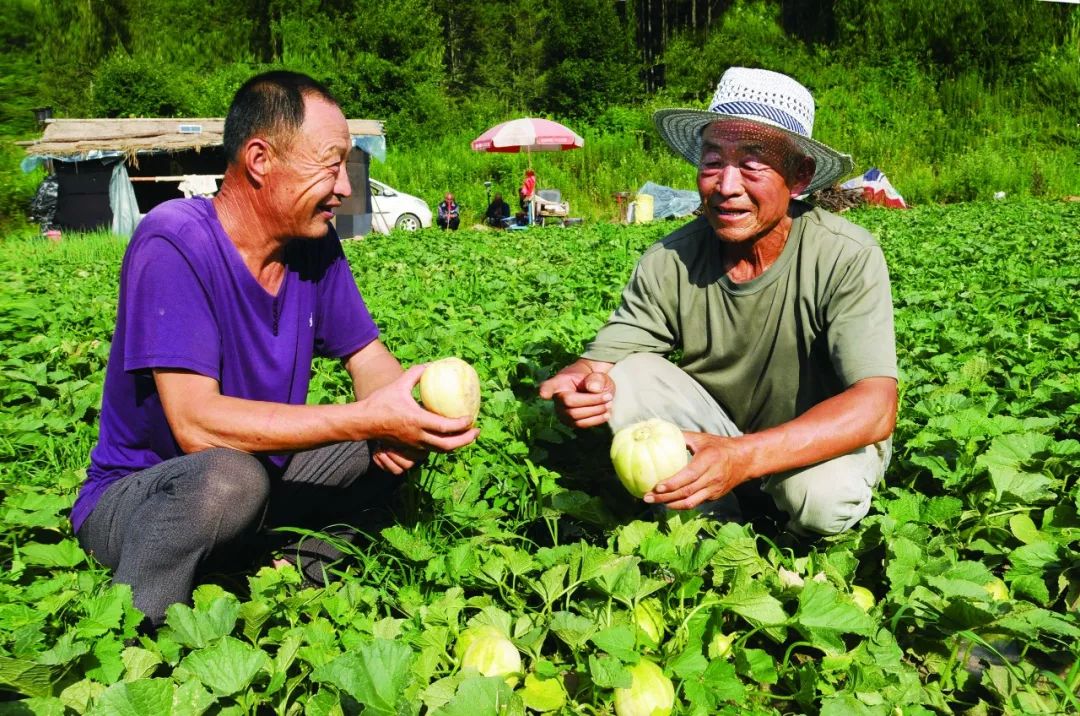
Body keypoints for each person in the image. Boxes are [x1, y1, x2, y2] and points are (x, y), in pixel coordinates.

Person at [72, 71, 479, 629]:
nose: (343, 187)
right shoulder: (174, 240)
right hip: (146, 497)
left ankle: (291, 567)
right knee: (229, 479)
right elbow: (196, 425)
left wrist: (404, 414)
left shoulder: (313, 247)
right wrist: (362, 416)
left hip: (261, 479)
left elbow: (368, 357)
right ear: (261, 159)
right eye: (330, 164)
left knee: (386, 443)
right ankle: (142, 630)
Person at [539, 67, 897, 537]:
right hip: (718, 437)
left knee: (821, 500)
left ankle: (793, 535)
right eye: (713, 161)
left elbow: (875, 407)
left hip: (811, 447)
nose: (726, 186)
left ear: (799, 176)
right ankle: (708, 534)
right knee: (627, 376)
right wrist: (576, 387)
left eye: (752, 164)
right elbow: (598, 363)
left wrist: (745, 456)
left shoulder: (845, 254)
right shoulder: (670, 259)